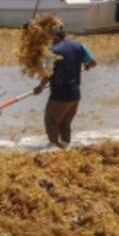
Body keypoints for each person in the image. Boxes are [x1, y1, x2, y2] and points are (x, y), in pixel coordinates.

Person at [33, 21, 97, 149]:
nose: (48, 41)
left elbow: (48, 74)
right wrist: (87, 66)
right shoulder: (79, 46)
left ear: (55, 37)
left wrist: (40, 87)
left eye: (49, 38)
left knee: (51, 122)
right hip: (75, 95)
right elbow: (92, 62)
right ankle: (66, 147)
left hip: (60, 95)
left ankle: (53, 149)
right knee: (65, 124)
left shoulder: (52, 52)